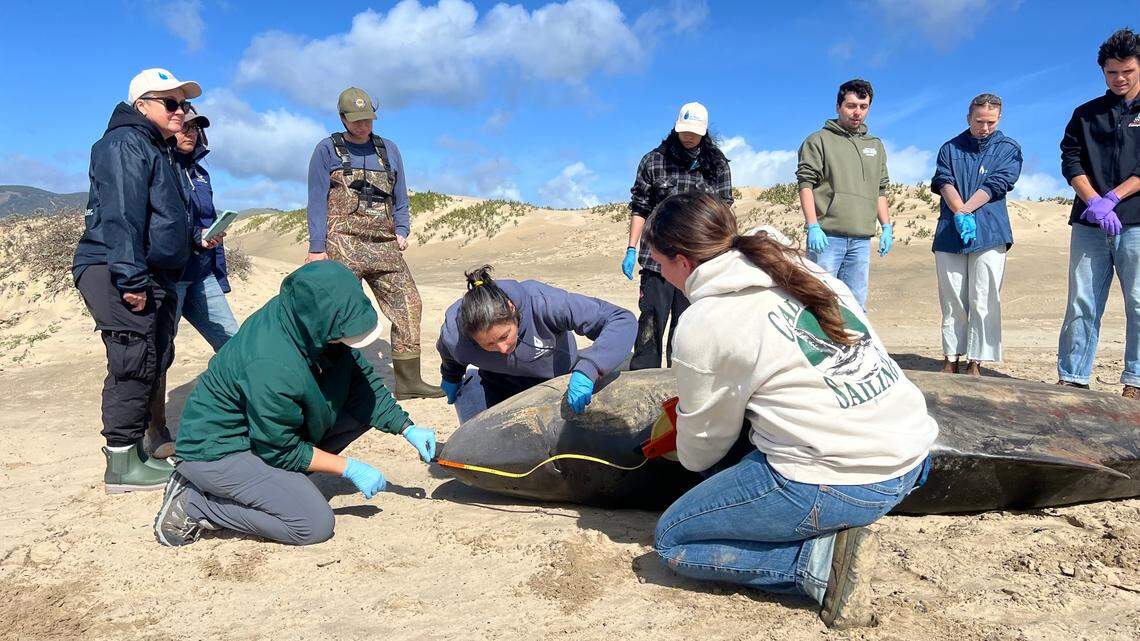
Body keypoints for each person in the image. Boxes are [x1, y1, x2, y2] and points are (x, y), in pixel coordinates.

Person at [645, 192, 937, 629]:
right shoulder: (785, 257)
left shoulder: (705, 320)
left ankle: (817, 565)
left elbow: (700, 453)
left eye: (659, 264)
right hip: (912, 453)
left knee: (672, 540)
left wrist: (686, 425)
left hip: (852, 478)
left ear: (683, 262)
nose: (662, 275)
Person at [153, 261, 438, 547]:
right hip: (217, 449)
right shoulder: (271, 361)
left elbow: (361, 381)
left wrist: (406, 428)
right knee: (312, 523)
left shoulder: (309, 320)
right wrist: (347, 467)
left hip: (261, 434)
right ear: (321, 324)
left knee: (359, 410)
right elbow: (280, 448)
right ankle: (196, 503)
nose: (347, 342)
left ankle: (274, 488)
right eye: (344, 336)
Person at [72, 68, 205, 493]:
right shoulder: (125, 143)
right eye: (171, 103)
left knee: (152, 358)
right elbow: (122, 214)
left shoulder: (155, 147)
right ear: (141, 105)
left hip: (149, 271)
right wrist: (130, 279)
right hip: (118, 269)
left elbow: (159, 218)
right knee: (132, 361)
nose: (181, 112)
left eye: (183, 104)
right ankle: (122, 466)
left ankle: (136, 454)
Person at [305, 87, 442, 400]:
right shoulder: (326, 150)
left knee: (410, 303)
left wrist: (403, 229)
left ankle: (408, 382)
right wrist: (316, 247)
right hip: (342, 242)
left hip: (384, 243)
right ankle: (329, 383)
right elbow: (316, 200)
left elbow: (401, 195)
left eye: (367, 119)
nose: (363, 125)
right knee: (339, 314)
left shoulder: (388, 149)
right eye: (356, 120)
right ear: (342, 118)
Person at [1057, 28, 1140, 399]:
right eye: (1112, 72)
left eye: (1127, 71)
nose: (1119, 79)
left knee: (1139, 302)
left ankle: (1135, 380)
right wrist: (1093, 201)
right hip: (1090, 224)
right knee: (1082, 301)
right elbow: (1071, 159)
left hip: (1136, 222)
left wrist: (1115, 197)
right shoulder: (1086, 114)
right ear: (1102, 72)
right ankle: (1073, 376)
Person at [622, 101, 733, 370]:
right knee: (649, 325)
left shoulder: (716, 165)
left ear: (705, 131)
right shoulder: (654, 161)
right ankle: (642, 383)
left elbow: (724, 210)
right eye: (683, 129)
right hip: (656, 259)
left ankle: (681, 386)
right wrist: (631, 248)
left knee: (688, 328)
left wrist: (727, 250)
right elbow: (640, 207)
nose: (688, 135)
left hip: (697, 262)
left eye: (694, 131)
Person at [436, 265, 636, 415]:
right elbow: (450, 355)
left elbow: (620, 319)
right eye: (489, 345)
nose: (503, 349)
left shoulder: (543, 302)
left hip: (558, 378)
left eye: (505, 336)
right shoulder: (455, 337)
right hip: (500, 385)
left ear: (512, 308)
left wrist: (591, 367)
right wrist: (450, 377)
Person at [930, 94, 1022, 376]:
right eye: (979, 121)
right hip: (950, 233)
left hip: (990, 232)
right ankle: (951, 357)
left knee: (983, 298)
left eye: (990, 122)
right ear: (968, 117)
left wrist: (967, 211)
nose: (984, 127)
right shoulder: (950, 147)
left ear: (999, 119)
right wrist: (959, 213)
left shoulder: (1008, 148)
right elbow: (943, 180)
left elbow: (999, 183)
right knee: (952, 298)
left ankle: (976, 362)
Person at [797, 79, 894, 308]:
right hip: (827, 238)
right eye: (851, 106)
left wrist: (887, 226)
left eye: (863, 106)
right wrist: (812, 225)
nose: (857, 112)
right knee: (821, 303)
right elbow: (805, 184)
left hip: (861, 239)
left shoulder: (876, 145)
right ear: (838, 106)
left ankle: (852, 345)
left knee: (855, 306)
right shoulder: (818, 140)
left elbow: (880, 189)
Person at [172, 106, 239, 350]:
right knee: (158, 352)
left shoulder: (201, 174)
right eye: (184, 127)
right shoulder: (160, 168)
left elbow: (207, 223)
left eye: (195, 128)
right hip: (171, 277)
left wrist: (219, 274)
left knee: (234, 344)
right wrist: (193, 236)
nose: (191, 133)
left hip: (201, 274)